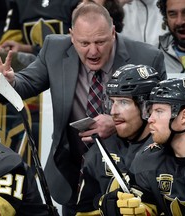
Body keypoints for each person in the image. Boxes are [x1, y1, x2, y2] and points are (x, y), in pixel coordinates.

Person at [0, 2, 166, 215]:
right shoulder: (54, 49)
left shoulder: (147, 57)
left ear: (113, 32)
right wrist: (7, 83)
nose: (93, 51)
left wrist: (116, 122)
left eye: (100, 41)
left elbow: (160, 113)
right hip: (74, 175)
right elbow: (25, 84)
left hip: (130, 175)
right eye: (84, 43)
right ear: (71, 36)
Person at [103, 77, 185, 215]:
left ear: (184, 116)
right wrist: (117, 206)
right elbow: (140, 202)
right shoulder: (147, 157)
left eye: (159, 111)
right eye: (151, 111)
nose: (150, 119)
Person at [75, 64, 162, 215]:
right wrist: (104, 209)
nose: (113, 112)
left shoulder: (171, 151)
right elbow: (83, 212)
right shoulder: (99, 153)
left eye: (123, 102)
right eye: (112, 102)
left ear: (147, 107)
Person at [0, 0, 80, 55]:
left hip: (67, 65)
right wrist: (7, 49)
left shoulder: (77, 2)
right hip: (31, 68)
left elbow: (80, 43)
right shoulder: (18, 3)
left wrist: (31, 49)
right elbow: (7, 44)